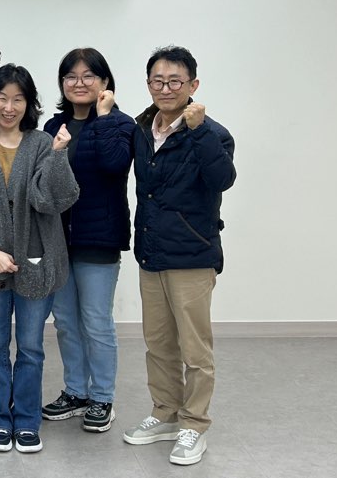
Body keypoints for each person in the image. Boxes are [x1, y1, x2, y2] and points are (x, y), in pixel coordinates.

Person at [0, 64, 79, 454]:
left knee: (30, 347)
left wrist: (58, 155)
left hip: (36, 261)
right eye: (2, 98)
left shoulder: (42, 143)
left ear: (29, 104)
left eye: (18, 99)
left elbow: (51, 200)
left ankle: (26, 420)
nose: (9, 107)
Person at [122, 46, 236, 466]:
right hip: (151, 252)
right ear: (148, 84)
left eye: (175, 81)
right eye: (158, 81)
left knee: (195, 349)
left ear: (193, 85)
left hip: (192, 255)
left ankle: (194, 424)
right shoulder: (142, 128)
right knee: (158, 343)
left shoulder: (213, 133)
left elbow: (222, 179)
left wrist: (199, 130)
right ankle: (166, 412)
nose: (166, 88)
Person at [41, 48, 135, 433]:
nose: (79, 83)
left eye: (88, 76)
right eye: (70, 77)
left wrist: (104, 116)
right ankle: (76, 391)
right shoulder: (54, 125)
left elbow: (115, 164)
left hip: (99, 238)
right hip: (58, 240)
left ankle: (102, 397)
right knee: (65, 321)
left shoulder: (120, 123)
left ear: (104, 81)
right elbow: (44, 180)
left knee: (96, 321)